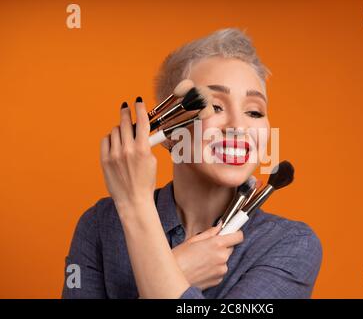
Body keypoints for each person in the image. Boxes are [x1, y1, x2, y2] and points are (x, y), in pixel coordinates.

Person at [62, 28, 322, 299]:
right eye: (216, 107)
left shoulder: (291, 245)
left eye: (254, 112)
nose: (237, 127)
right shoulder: (100, 225)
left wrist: (167, 272)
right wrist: (135, 208)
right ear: (170, 133)